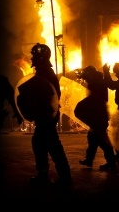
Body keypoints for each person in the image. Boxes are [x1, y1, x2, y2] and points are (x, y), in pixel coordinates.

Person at [26, 43, 72, 186]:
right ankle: (45, 173)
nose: (31, 58)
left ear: (40, 57)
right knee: (41, 143)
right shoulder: (43, 71)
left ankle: (63, 177)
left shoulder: (45, 72)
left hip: (46, 114)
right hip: (45, 113)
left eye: (34, 55)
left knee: (52, 145)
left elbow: (48, 95)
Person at [75, 65, 117, 171]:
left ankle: (111, 162)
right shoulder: (96, 80)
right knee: (93, 138)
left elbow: (94, 99)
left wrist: (81, 106)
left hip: (98, 116)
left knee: (102, 141)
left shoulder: (96, 83)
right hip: (98, 115)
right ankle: (89, 160)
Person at [0, 56, 24, 179]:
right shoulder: (1, 80)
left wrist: (17, 113)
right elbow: (11, 98)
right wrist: (18, 113)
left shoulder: (0, 80)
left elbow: (11, 97)